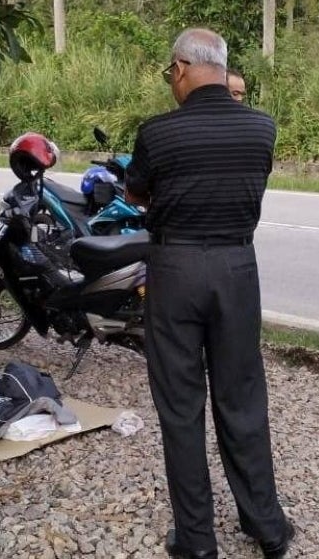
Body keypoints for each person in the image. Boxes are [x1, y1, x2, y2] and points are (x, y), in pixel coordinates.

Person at [125, 28, 293, 559]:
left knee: (180, 406)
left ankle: (197, 540)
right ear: (221, 67)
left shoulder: (157, 133)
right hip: (238, 267)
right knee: (242, 398)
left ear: (180, 68)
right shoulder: (261, 129)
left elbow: (135, 193)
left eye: (168, 74)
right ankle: (266, 526)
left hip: (174, 267)